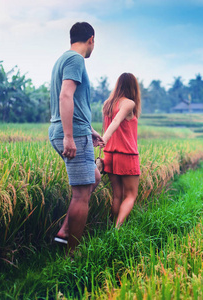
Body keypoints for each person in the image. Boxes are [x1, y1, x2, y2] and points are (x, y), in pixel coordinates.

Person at [48, 22, 103, 254]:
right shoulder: (75, 60)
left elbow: (75, 101)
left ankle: (65, 229)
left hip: (74, 129)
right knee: (81, 195)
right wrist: (70, 137)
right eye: (94, 42)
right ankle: (73, 255)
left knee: (95, 177)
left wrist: (89, 129)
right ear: (91, 39)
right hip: (71, 133)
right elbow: (66, 96)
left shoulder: (62, 59)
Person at [101, 73, 141, 227]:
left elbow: (110, 123)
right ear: (133, 87)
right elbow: (117, 120)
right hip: (127, 155)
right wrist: (104, 139)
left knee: (117, 195)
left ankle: (111, 226)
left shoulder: (108, 104)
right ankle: (117, 230)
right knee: (131, 195)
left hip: (110, 155)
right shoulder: (128, 104)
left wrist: (104, 142)